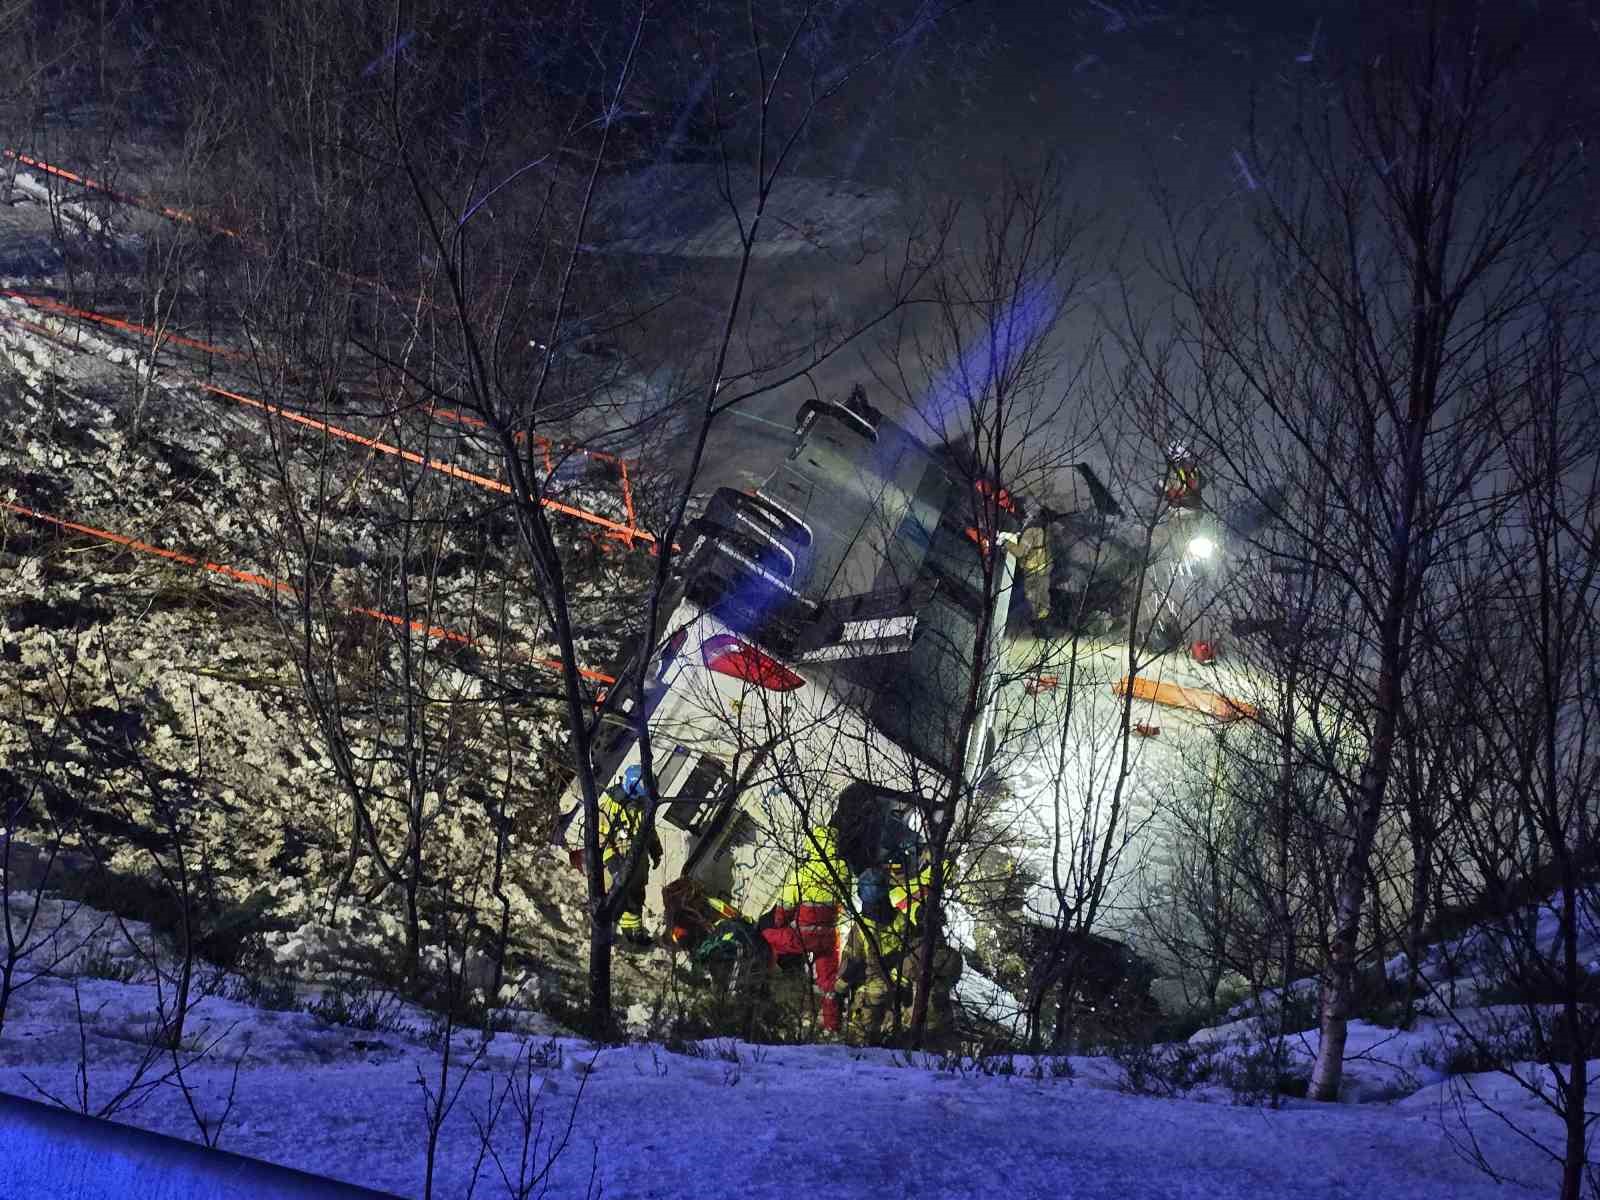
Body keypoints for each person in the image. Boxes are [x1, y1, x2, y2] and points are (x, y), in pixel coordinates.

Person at [834, 856, 964, 1048]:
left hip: (874, 994)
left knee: (858, 1043)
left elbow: (850, 965)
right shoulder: (901, 920)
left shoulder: (861, 929)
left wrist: (837, 992)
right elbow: (915, 948)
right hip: (903, 989)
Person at [761, 820, 850, 1033]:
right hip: (829, 936)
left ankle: (764, 991)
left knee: (765, 935)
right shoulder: (843, 870)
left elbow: (784, 908)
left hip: (802, 937)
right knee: (829, 984)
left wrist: (778, 923)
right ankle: (833, 1027)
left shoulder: (803, 873)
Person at [597, 764, 663, 949]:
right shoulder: (609, 808)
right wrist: (612, 862)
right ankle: (604, 934)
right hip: (618, 864)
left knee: (635, 900)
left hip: (638, 865)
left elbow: (649, 829)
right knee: (616, 901)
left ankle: (633, 933)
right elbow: (600, 838)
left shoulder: (642, 806)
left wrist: (655, 849)